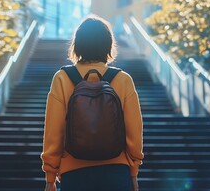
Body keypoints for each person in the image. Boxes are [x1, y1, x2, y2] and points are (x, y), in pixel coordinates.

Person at [41, 14, 143, 191]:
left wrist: (50, 176)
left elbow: (53, 131)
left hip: (74, 174)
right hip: (117, 172)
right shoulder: (123, 80)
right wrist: (133, 172)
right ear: (108, 45)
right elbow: (134, 132)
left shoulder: (62, 78)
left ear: (77, 45)